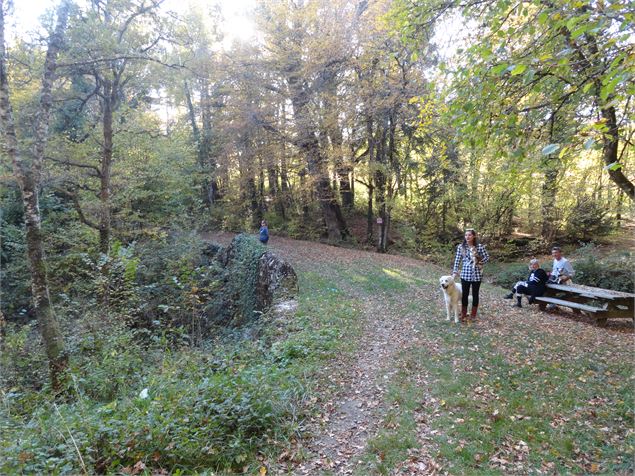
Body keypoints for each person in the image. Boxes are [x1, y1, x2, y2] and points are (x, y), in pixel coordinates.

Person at [452, 228, 490, 322]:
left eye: (469, 235)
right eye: (466, 235)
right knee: (464, 294)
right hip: (465, 274)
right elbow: (457, 260)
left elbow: (487, 257)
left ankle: (473, 314)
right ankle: (464, 313)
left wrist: (479, 262)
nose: (467, 237)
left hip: (477, 274)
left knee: (475, 294)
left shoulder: (479, 247)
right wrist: (454, 271)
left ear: (474, 236)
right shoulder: (461, 247)